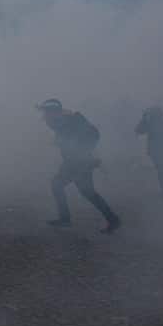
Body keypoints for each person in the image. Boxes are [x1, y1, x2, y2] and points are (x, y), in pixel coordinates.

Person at [37, 98, 120, 233]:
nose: (44, 115)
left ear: (55, 111)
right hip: (71, 162)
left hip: (81, 162)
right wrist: (60, 142)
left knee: (86, 192)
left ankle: (113, 220)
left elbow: (93, 134)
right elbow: (64, 137)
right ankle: (65, 219)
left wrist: (81, 149)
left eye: (47, 112)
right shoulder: (57, 121)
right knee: (59, 185)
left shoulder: (74, 119)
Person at [134, 106, 163, 199]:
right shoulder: (151, 123)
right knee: (162, 170)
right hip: (156, 151)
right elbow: (138, 130)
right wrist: (143, 119)